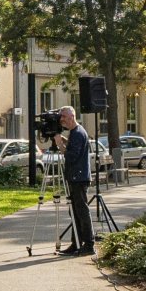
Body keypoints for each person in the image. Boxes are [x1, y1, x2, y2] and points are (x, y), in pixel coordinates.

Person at [58, 106, 95, 256]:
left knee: (81, 211)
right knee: (74, 212)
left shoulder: (78, 133)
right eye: (61, 118)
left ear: (72, 116)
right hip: (75, 177)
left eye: (64, 117)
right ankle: (76, 243)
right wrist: (65, 140)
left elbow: (72, 156)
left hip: (79, 178)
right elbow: (75, 148)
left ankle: (88, 244)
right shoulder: (75, 133)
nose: (62, 120)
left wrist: (60, 145)